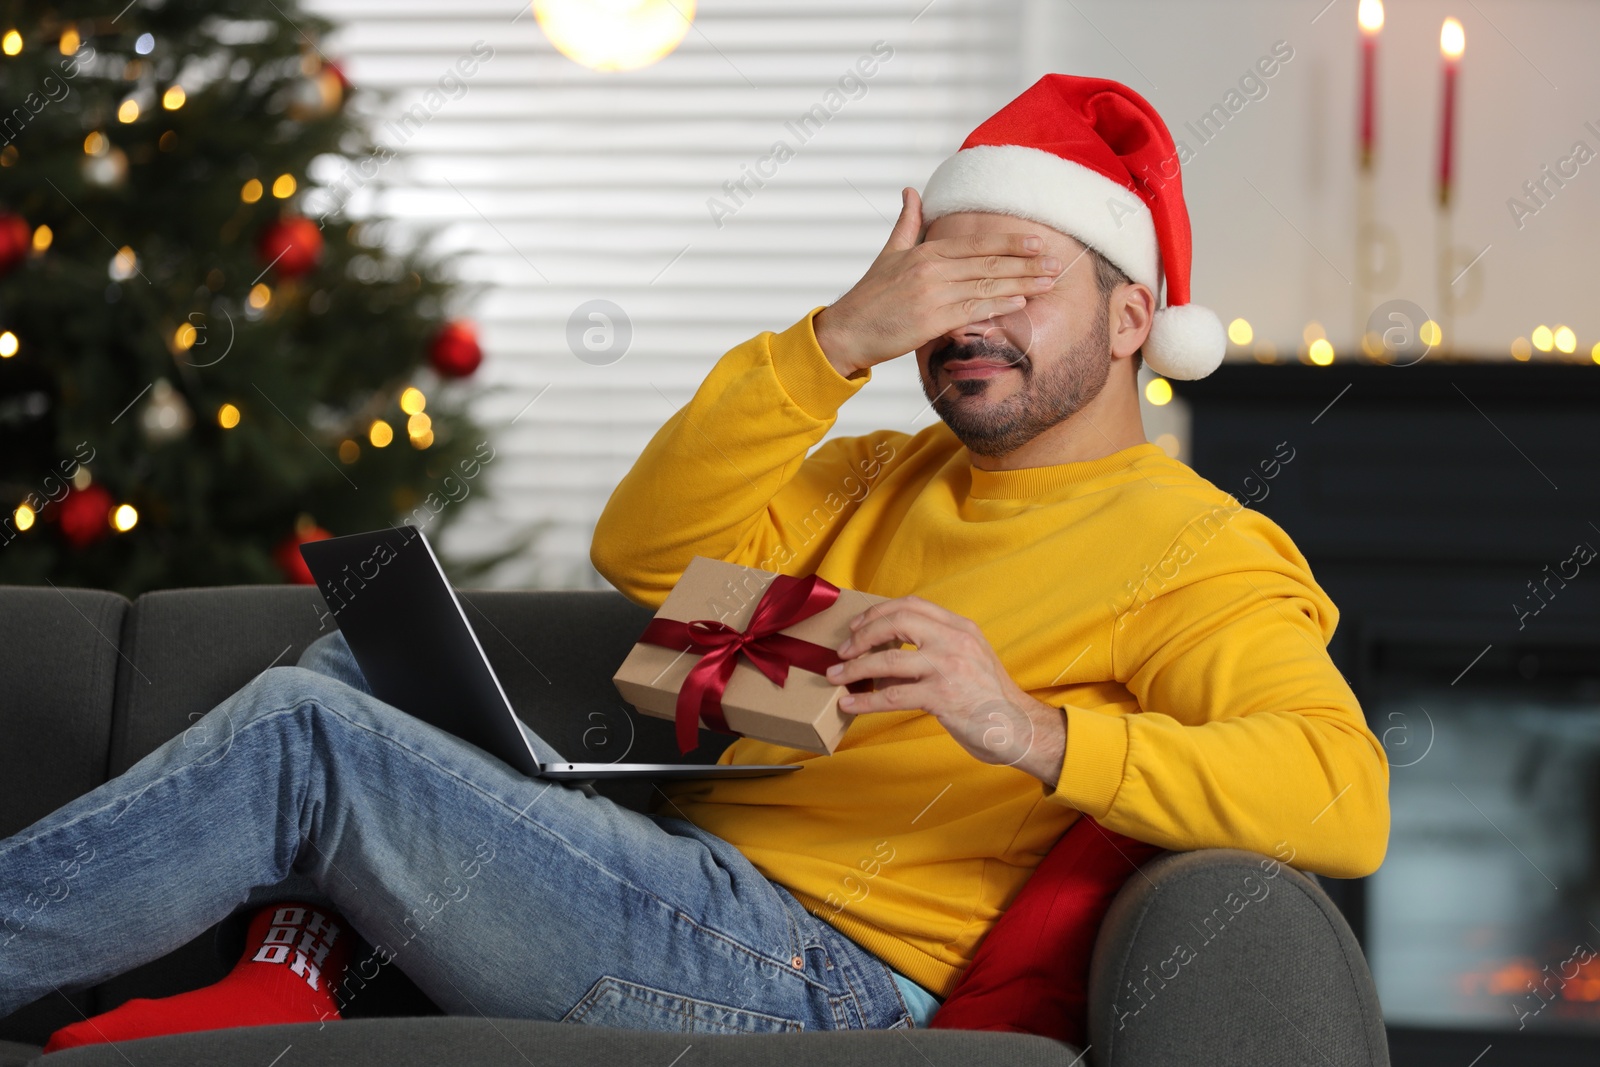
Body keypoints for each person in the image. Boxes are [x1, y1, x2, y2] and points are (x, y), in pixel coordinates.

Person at [0, 74, 1389, 1049]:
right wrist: (838, 337)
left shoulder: (1205, 547)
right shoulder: (877, 471)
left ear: (1136, 314)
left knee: (310, 736)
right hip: (677, 877)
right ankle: (297, 971)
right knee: (370, 641)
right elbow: (648, 547)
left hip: (818, 975)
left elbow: (1344, 800)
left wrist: (1026, 726)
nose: (962, 318)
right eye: (939, 280)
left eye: (1014, 276)